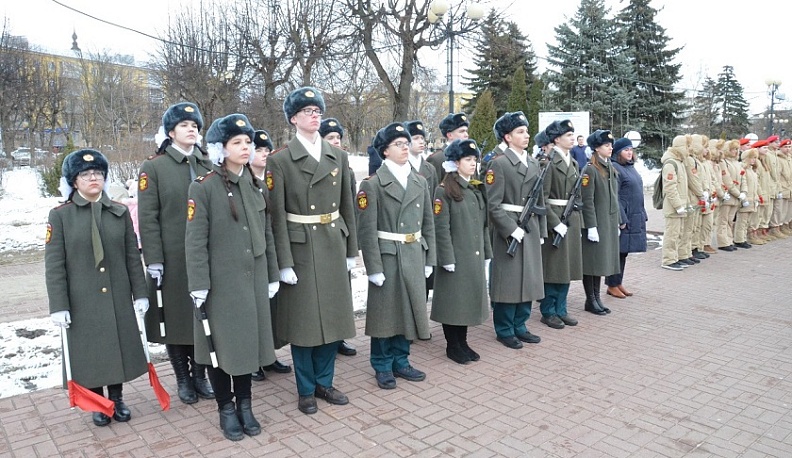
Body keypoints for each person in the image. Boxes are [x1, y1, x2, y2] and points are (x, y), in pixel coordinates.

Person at [185, 114, 279, 441]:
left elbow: (265, 232)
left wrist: (271, 273)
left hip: (251, 282)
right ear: (220, 149)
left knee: (246, 348)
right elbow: (194, 241)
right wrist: (198, 284)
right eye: (236, 142)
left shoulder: (254, 185)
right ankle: (226, 408)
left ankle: (246, 405)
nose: (245, 147)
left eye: (248, 142)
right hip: (220, 285)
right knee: (221, 348)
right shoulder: (204, 187)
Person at [267, 86, 357, 415]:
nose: (315, 115)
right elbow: (275, 217)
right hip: (300, 247)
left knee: (332, 319)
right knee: (304, 324)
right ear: (293, 118)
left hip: (332, 242)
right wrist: (284, 263)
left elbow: (348, 204)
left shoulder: (339, 155)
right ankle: (306, 389)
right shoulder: (280, 160)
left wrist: (351, 249)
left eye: (317, 110)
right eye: (307, 111)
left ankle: (325, 382)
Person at [46, 149, 149, 427]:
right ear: (74, 180)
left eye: (98, 174)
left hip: (116, 293)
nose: (93, 178)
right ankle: (97, 404)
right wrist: (59, 306)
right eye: (85, 174)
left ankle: (117, 399)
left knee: (115, 348)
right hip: (81, 298)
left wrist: (140, 293)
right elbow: (55, 266)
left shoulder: (119, 212)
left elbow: (131, 256)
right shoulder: (60, 216)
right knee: (90, 352)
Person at [138, 102, 215, 404]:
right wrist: (154, 258)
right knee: (175, 319)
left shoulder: (208, 164)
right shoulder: (154, 167)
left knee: (202, 315)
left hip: (205, 255)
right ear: (170, 132)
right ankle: (183, 378)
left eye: (195, 124)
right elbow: (148, 217)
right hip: (171, 257)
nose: (192, 129)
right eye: (184, 125)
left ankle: (200, 375)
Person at [357, 122, 436, 389]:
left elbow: (428, 224)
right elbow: (367, 231)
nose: (405, 148)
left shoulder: (419, 181)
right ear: (385, 151)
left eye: (406, 143)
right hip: (388, 254)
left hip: (414, 251)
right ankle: (381, 364)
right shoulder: (373, 184)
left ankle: (401, 360)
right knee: (385, 314)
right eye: (398, 145)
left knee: (409, 309)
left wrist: (430, 258)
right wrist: (373, 267)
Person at [485, 112, 546, 349]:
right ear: (508, 137)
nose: (526, 135)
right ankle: (504, 328)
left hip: (528, 226)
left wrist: (540, 231)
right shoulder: (498, 163)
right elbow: (493, 204)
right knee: (508, 281)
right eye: (520, 132)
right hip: (508, 228)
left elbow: (538, 202)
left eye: (526, 131)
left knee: (529, 278)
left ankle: (521, 325)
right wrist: (510, 229)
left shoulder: (533, 162)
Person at [431, 139, 492, 364]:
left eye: (474, 159)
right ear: (455, 163)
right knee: (453, 303)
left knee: (466, 301)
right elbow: (441, 228)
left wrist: (486, 252)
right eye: (468, 160)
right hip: (455, 256)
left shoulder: (475, 189)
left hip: (472, 255)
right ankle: (452, 345)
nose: (473, 164)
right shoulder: (444, 190)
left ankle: (463, 342)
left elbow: (483, 225)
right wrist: (446, 257)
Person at [247, 129, 293, 382]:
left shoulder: (272, 178)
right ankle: (254, 358)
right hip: (254, 249)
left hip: (273, 246)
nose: (264, 154)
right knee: (255, 306)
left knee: (271, 306)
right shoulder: (246, 180)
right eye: (259, 150)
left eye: (267, 150)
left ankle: (269, 355)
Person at [318, 117, 358, 358]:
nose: (335, 142)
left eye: (338, 138)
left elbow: (349, 207)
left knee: (341, 291)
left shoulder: (346, 168)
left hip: (339, 235)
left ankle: (339, 336)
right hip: (318, 236)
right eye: (330, 138)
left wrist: (352, 244)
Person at [538, 119, 583, 327]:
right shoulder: (548, 163)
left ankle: (561, 308)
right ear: (556, 139)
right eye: (568, 135)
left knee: (566, 268)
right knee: (553, 268)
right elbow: (542, 198)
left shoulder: (572, 162)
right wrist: (554, 223)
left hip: (570, 218)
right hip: (556, 218)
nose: (572, 138)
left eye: (573, 135)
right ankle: (548, 311)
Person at [580, 130, 620, 314]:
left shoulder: (609, 167)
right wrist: (591, 226)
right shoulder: (590, 169)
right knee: (592, 262)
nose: (610, 148)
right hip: (596, 223)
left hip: (608, 222)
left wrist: (617, 222)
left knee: (601, 261)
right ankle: (591, 299)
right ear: (597, 148)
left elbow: (614, 197)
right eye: (606, 145)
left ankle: (596, 297)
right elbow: (587, 200)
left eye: (611, 145)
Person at [604, 138, 646, 298]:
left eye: (631, 150)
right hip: (624, 216)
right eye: (625, 150)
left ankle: (618, 281)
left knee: (624, 252)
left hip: (635, 215)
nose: (629, 153)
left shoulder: (630, 168)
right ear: (617, 152)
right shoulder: (615, 168)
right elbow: (614, 196)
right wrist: (621, 219)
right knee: (617, 252)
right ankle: (612, 284)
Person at [405, 120, 438, 306]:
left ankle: (421, 322)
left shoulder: (429, 169)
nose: (421, 141)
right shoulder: (401, 166)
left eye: (422, 138)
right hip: (406, 228)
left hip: (424, 230)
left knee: (424, 280)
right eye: (416, 138)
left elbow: (433, 200)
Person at [660, 135, 691, 270]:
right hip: (673, 207)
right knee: (672, 234)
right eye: (686, 146)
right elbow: (670, 187)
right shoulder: (671, 164)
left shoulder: (679, 162)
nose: (688, 149)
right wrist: (678, 205)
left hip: (680, 206)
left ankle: (675, 257)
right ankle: (668, 260)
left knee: (678, 233)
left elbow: (683, 187)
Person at [716, 140, 745, 251]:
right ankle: (723, 242)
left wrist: (743, 192)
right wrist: (737, 193)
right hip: (728, 195)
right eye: (733, 149)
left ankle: (729, 239)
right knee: (723, 220)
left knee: (730, 220)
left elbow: (743, 178)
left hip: (736, 196)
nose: (736, 151)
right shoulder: (724, 162)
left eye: (737, 149)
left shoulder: (737, 163)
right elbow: (727, 180)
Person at [427, 112, 470, 182]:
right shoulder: (437, 159)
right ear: (450, 135)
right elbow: (433, 188)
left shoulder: (470, 156)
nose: (466, 135)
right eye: (462, 131)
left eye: (466, 131)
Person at [734, 148, 759, 248]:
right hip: (746, 199)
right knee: (742, 221)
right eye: (752, 158)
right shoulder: (742, 168)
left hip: (752, 199)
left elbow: (755, 186)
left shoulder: (752, 170)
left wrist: (756, 198)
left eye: (755, 158)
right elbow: (742, 184)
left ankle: (743, 238)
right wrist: (743, 199)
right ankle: (739, 239)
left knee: (747, 221)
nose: (753, 160)